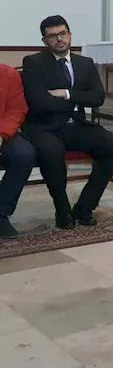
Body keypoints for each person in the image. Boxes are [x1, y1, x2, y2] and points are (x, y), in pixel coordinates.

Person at [20, 16, 113, 228]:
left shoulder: (84, 63)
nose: (59, 39)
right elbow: (39, 103)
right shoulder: (33, 63)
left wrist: (67, 94)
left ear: (70, 35)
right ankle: (62, 210)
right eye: (52, 36)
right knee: (51, 153)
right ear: (44, 41)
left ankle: (85, 206)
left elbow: (98, 97)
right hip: (45, 128)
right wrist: (77, 101)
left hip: (76, 126)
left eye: (63, 33)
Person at [0, 64, 37, 238]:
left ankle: (1, 212)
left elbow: (16, 110)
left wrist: (1, 135)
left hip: (3, 130)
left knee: (24, 154)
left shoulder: (8, 73)